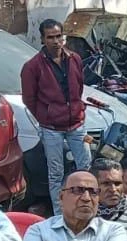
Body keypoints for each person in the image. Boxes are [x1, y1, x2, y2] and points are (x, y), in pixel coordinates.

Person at [22, 20, 90, 206]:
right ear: (43, 39)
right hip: (51, 128)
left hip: (76, 124)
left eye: (59, 36)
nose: (56, 41)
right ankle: (60, 214)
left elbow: (79, 86)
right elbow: (29, 98)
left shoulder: (74, 58)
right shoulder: (32, 66)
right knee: (56, 173)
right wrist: (46, 116)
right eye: (50, 37)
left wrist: (77, 108)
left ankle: (86, 207)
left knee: (85, 168)